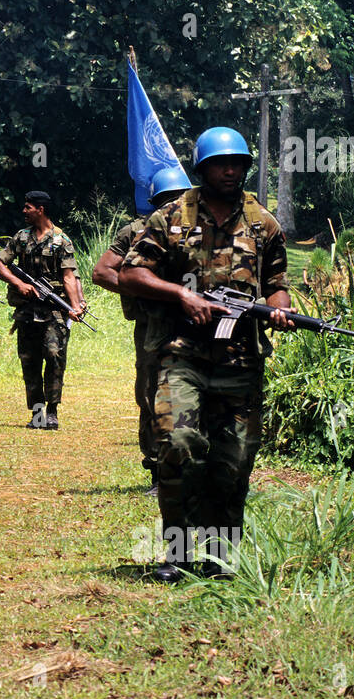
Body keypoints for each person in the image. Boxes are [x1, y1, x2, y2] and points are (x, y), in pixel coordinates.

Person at [119, 127, 294, 583]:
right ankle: (176, 552)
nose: (231, 170)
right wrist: (182, 295)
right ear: (203, 168)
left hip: (240, 363)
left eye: (238, 162)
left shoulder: (264, 224)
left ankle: (219, 558)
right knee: (178, 447)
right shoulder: (171, 218)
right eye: (221, 163)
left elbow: (276, 286)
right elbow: (129, 275)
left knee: (233, 463)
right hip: (183, 357)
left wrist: (279, 312)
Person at [91, 166, 192, 494]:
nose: (172, 205)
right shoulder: (136, 230)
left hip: (198, 323)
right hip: (153, 325)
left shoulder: (202, 227)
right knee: (150, 393)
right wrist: (148, 291)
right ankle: (157, 469)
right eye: (166, 200)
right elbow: (103, 272)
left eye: (178, 198)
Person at [0, 191, 87, 430]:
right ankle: (37, 413)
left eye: (28, 208)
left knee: (54, 356)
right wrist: (19, 284)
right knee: (29, 360)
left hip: (54, 311)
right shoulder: (21, 238)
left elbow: (68, 277)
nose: (23, 211)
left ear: (40, 210)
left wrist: (75, 306)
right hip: (26, 311)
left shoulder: (61, 240)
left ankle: (52, 411)